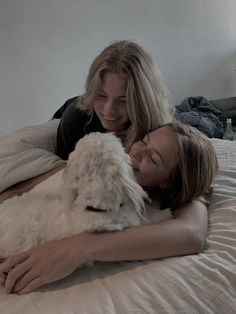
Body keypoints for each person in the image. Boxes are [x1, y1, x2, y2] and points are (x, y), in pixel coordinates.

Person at [0, 40, 214, 294]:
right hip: (72, 109)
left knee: (205, 121)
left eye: (124, 101)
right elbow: (59, 180)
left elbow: (191, 232)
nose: (110, 112)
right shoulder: (80, 121)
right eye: (102, 95)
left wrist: (79, 248)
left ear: (143, 102)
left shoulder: (159, 135)